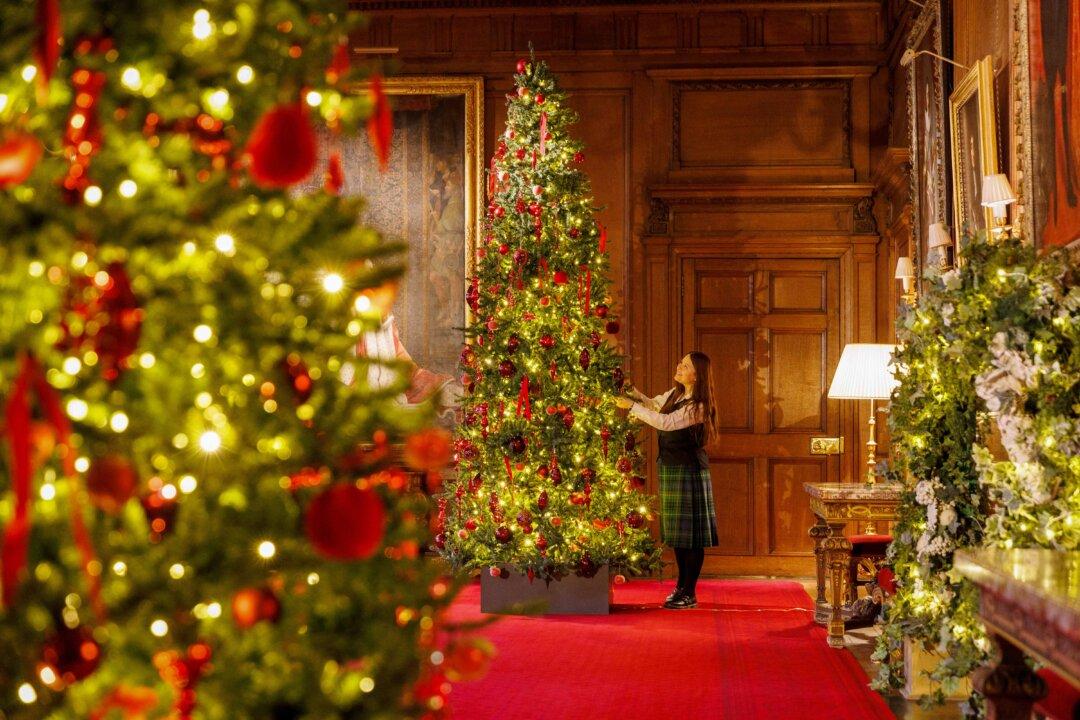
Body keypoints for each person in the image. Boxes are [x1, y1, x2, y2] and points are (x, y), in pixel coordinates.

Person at [616, 352, 719, 609]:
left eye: (685, 365)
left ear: (697, 375)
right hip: (672, 469)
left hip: (689, 471)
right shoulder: (675, 394)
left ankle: (689, 591)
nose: (679, 367)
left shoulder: (698, 406)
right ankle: (680, 588)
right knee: (679, 535)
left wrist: (631, 407)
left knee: (692, 537)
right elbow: (653, 405)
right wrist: (632, 392)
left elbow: (666, 422)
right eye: (681, 363)